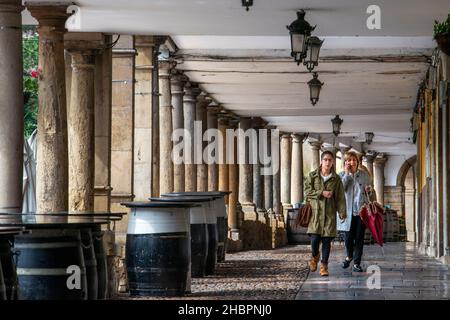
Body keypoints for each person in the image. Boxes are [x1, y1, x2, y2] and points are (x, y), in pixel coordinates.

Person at [304, 151, 347, 276]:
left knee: (327, 241)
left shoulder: (336, 179)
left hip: (329, 215)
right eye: (325, 160)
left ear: (333, 162)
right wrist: (321, 193)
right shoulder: (312, 176)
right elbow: (307, 192)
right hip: (315, 215)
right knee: (315, 240)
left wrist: (342, 212)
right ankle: (314, 256)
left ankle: (324, 266)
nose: (328, 162)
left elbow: (340, 197)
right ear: (321, 161)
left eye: (330, 160)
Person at [337, 151, 374, 272]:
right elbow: (340, 190)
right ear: (345, 162)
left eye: (354, 160)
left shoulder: (364, 175)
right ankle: (349, 256)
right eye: (349, 160)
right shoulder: (341, 175)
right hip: (347, 212)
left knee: (359, 238)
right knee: (348, 238)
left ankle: (356, 263)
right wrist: (347, 174)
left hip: (361, 211)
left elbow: (370, 192)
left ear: (358, 162)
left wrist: (369, 190)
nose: (352, 162)